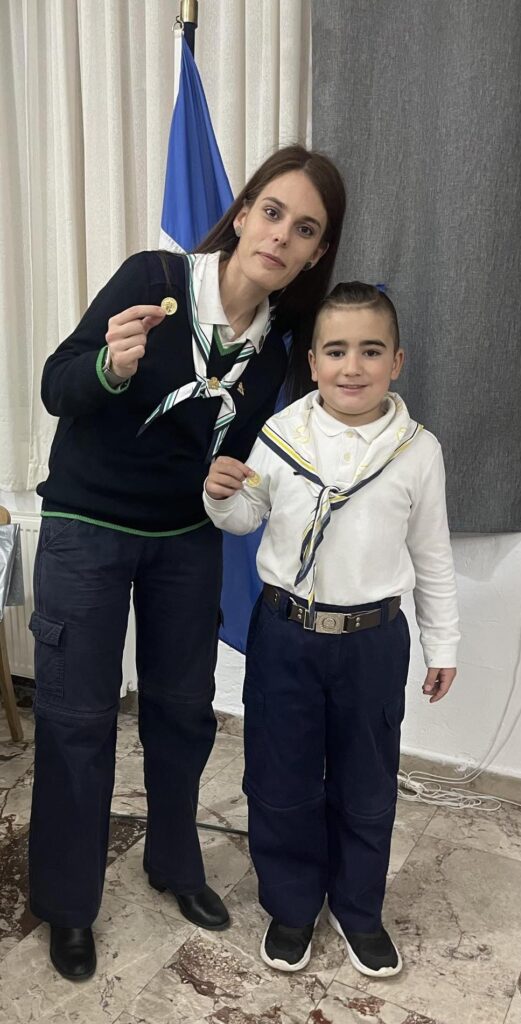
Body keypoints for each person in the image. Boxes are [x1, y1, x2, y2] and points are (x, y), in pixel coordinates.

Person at [29, 144, 346, 981]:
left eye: (303, 229)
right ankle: (67, 902)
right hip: (87, 527)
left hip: (185, 543)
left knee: (183, 712)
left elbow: (234, 464)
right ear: (242, 216)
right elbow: (57, 385)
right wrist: (109, 365)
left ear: (315, 252)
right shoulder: (153, 277)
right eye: (271, 212)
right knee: (77, 718)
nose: (280, 236)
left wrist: (229, 485)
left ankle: (173, 860)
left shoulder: (278, 351)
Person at [203, 281, 459, 979]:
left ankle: (358, 909)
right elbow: (245, 517)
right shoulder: (281, 436)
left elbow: (433, 555)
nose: (353, 367)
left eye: (370, 351)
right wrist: (219, 495)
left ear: (396, 362)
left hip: (373, 641)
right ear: (312, 362)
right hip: (286, 636)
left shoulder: (418, 451)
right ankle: (291, 906)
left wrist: (444, 644)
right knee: (280, 777)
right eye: (337, 351)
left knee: (366, 784)